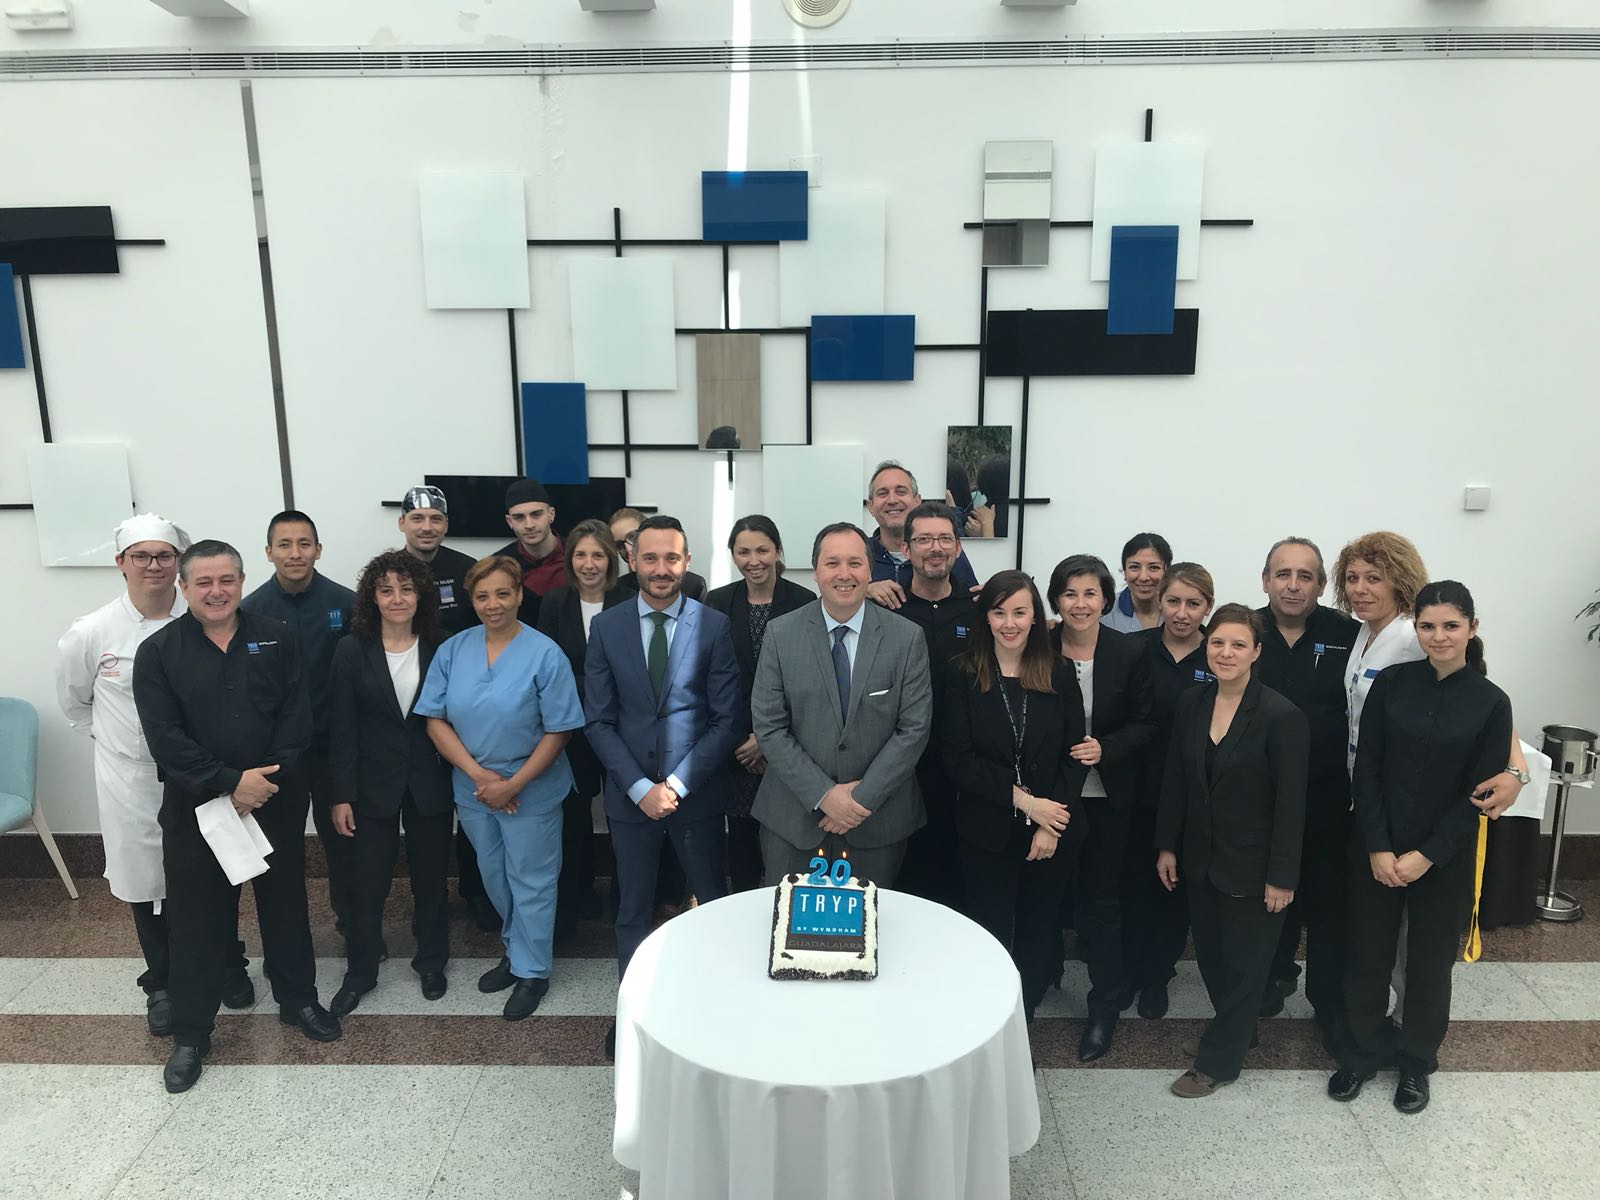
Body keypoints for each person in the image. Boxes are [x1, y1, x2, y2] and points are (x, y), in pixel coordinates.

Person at [133, 540, 337, 1094]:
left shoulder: (278, 637)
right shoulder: (158, 652)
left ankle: (299, 1000)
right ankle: (191, 1034)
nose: (216, 591)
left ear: (242, 582)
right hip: (198, 808)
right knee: (196, 921)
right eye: (203, 582)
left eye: (226, 580)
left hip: (273, 798)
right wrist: (229, 782)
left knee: (286, 905)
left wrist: (260, 784)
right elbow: (165, 739)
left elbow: (297, 717)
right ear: (183, 587)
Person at [55, 514, 252, 1036]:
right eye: (140, 556)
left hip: (199, 773)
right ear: (121, 563)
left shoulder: (203, 621)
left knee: (218, 867)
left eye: (164, 556)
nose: (153, 566)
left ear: (179, 566)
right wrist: (123, 747)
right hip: (130, 778)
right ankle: (162, 982)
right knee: (145, 880)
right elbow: (76, 705)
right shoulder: (92, 632)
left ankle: (227, 963)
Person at [1330, 582, 1512, 1114]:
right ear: (1417, 628)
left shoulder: (1491, 702)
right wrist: (1378, 847)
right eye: (1428, 626)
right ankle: (1360, 1053)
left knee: (1430, 963)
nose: (1439, 636)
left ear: (1472, 628)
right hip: (1378, 846)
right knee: (1367, 954)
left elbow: (1479, 792)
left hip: (1444, 855)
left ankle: (1416, 1061)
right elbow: (1367, 769)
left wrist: (1426, 855)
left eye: (1451, 626)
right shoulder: (1392, 683)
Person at [585, 515, 743, 1056]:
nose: (660, 569)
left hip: (695, 797)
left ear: (687, 561)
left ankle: (718, 1010)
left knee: (712, 905)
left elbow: (726, 719)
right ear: (631, 559)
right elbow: (598, 721)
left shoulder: (713, 626)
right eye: (649, 557)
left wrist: (674, 784)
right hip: (630, 801)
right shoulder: (607, 628)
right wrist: (638, 788)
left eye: (671, 558)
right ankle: (633, 1014)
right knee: (632, 910)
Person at [414, 556, 585, 1020]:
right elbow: (434, 719)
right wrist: (481, 777)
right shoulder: (454, 650)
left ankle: (533, 971)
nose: (493, 604)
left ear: (519, 595)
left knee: (532, 880)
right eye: (483, 596)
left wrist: (513, 784)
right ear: (471, 600)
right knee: (495, 876)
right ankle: (515, 951)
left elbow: (560, 730)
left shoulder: (545, 653)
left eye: (503, 594)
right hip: (474, 788)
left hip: (531, 787)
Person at [1157, 604, 1309, 1098]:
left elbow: (1291, 804)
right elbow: (1176, 781)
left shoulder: (1282, 716)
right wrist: (1167, 845)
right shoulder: (1193, 702)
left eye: (1238, 644)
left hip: (1255, 865)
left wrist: (1282, 876)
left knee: (1245, 967)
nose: (1226, 652)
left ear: (1256, 652)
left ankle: (1218, 1061)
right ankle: (1239, 1032)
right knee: (1213, 958)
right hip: (1200, 858)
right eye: (1218, 642)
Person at [751, 522, 932, 886]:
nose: (844, 574)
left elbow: (913, 730)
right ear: (815, 571)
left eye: (855, 563)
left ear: (870, 571)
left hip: (877, 821)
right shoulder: (781, 634)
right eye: (832, 563)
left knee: (868, 922)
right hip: (793, 820)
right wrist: (824, 795)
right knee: (791, 919)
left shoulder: (907, 638)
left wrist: (859, 799)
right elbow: (769, 726)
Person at [943, 570, 1085, 1022]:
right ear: (985, 618)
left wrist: (1050, 823)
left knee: (1038, 930)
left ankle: (1022, 1016)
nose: (1009, 623)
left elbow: (1074, 755)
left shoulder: (1059, 672)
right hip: (986, 830)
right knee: (989, 929)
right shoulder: (962, 673)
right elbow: (958, 760)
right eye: (999, 612)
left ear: (1035, 617)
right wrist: (1026, 803)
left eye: (1019, 612)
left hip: (1049, 832)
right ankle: (989, 1016)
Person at [326, 550, 454, 1016]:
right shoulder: (350, 650)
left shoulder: (442, 646)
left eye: (406, 589)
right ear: (372, 598)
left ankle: (432, 962)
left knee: (431, 880)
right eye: (386, 590)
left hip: (429, 780)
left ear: (421, 595)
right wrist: (341, 795)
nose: (397, 598)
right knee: (367, 883)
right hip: (369, 784)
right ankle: (361, 971)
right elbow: (341, 728)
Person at [1048, 553, 1154, 1062]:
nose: (1080, 603)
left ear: (1106, 599)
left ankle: (1104, 1006)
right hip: (1051, 797)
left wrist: (1105, 748)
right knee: (1046, 896)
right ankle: (1038, 978)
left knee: (1102, 902)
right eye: (1070, 593)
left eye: (1090, 593)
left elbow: (1146, 722)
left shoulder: (1129, 651)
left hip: (1109, 797)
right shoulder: (1039, 647)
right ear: (1056, 600)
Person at [1253, 537, 1360, 1040]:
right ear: (1265, 581)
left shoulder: (1351, 635)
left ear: (1320, 585)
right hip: (1260, 799)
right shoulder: (1244, 630)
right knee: (1266, 898)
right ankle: (1269, 979)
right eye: (1283, 574)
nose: (1293, 586)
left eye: (1305, 576)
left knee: (1328, 905)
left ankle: (1327, 1001)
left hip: (1328, 798)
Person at [240, 510, 358, 943]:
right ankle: (286, 940)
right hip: (277, 757)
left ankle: (355, 926)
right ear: (268, 552)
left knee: (345, 842)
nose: (295, 553)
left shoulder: (347, 604)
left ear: (318, 550)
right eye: (284, 545)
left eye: (304, 544)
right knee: (279, 850)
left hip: (334, 750)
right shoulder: (249, 611)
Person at [398, 483, 497, 933]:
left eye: (435, 519)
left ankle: (477, 892)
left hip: (466, 709)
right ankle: (430, 902)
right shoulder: (389, 572)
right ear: (402, 523)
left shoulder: (466, 571)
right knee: (428, 815)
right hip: (406, 710)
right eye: (418, 518)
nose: (427, 527)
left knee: (474, 805)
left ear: (446, 525)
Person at [1121, 562, 1215, 1020]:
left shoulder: (1218, 655)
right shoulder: (1133, 648)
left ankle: (1158, 975)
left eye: (1193, 604)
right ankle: (1127, 972)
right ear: (1159, 601)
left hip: (1192, 799)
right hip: (1135, 791)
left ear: (1207, 608)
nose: (1181, 612)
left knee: (1173, 893)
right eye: (1173, 601)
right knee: (1130, 887)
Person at [876, 500, 978, 910]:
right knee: (904, 876)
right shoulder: (886, 608)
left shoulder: (979, 609)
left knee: (960, 876)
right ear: (906, 548)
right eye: (923, 540)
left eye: (944, 539)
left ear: (958, 547)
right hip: (900, 765)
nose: (935, 548)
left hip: (964, 766)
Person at [705, 515, 815, 892]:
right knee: (740, 843)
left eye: (762, 550)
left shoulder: (804, 602)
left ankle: (787, 912)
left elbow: (808, 682)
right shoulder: (717, 603)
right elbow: (712, 679)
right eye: (744, 552)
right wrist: (742, 739)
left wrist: (767, 739)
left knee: (787, 840)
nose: (754, 560)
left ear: (778, 551)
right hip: (736, 749)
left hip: (787, 746)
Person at [535, 519, 630, 936]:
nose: (589, 564)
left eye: (597, 555)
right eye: (580, 555)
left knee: (623, 813)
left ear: (611, 559)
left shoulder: (629, 600)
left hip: (622, 728)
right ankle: (578, 893)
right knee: (573, 816)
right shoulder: (554, 603)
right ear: (569, 560)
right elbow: (547, 668)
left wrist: (589, 684)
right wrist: (595, 686)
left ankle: (627, 896)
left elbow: (632, 669)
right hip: (570, 729)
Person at [861, 460, 978, 610]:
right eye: (883, 493)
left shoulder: (943, 553)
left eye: (901, 492)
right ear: (870, 506)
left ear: (917, 501)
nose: (892, 500)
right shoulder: (859, 553)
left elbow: (971, 601)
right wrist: (863, 590)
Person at [495, 477, 565, 627]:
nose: (529, 525)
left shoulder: (578, 557)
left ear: (551, 514)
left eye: (536, 514)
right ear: (509, 521)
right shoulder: (498, 567)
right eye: (519, 517)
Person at [610, 506, 708, 601]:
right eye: (620, 545)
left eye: (633, 538)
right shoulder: (616, 589)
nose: (628, 548)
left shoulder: (693, 585)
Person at [1102, 532, 1171, 633]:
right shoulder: (1104, 611)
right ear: (1124, 572)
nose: (1143, 577)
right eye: (1134, 567)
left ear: (1167, 571)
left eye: (1154, 567)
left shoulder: (1179, 611)